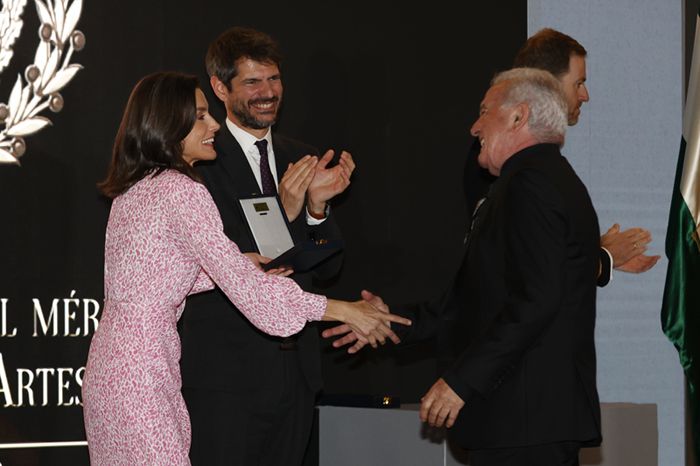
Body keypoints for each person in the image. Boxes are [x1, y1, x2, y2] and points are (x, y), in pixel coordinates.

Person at [81, 71, 409, 466]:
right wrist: (342, 310)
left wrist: (239, 264)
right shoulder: (182, 190)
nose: (213, 124)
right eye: (201, 116)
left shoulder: (134, 189)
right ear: (169, 124)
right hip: (144, 374)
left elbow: (149, 279)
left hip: (110, 368)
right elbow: (254, 297)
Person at [333, 68, 602, 465]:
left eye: (484, 111)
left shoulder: (531, 184)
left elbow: (536, 301)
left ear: (517, 116)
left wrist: (460, 383)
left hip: (526, 424)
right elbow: (467, 307)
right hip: (521, 423)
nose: (474, 126)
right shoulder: (533, 180)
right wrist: (388, 321)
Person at [178, 27, 354, 466]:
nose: (268, 93)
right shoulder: (197, 164)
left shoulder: (304, 158)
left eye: (274, 80)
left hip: (296, 377)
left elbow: (326, 272)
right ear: (220, 87)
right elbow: (231, 265)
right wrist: (287, 210)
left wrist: (316, 211)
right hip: (225, 379)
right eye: (253, 82)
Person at [466, 28, 660, 278]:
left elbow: (534, 249)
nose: (585, 96)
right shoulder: (498, 160)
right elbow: (519, 272)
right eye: (578, 83)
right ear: (547, 85)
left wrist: (595, 251)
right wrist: (603, 259)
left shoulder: (534, 164)